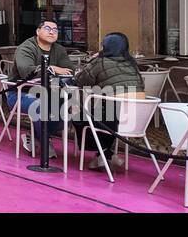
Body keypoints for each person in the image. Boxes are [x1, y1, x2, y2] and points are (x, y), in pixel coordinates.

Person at [73, 32, 145, 170]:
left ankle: (103, 154)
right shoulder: (132, 64)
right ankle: (107, 154)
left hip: (114, 120)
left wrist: (92, 61)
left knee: (79, 117)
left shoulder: (100, 62)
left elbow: (81, 81)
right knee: (101, 113)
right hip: (138, 119)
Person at [9, 20, 75, 152]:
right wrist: (51, 68)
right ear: (38, 31)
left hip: (52, 93)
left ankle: (37, 136)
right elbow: (26, 71)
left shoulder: (59, 50)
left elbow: (69, 70)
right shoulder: (26, 48)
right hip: (21, 93)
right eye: (47, 28)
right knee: (41, 106)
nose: (52, 32)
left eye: (55, 30)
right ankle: (45, 141)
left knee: (72, 106)